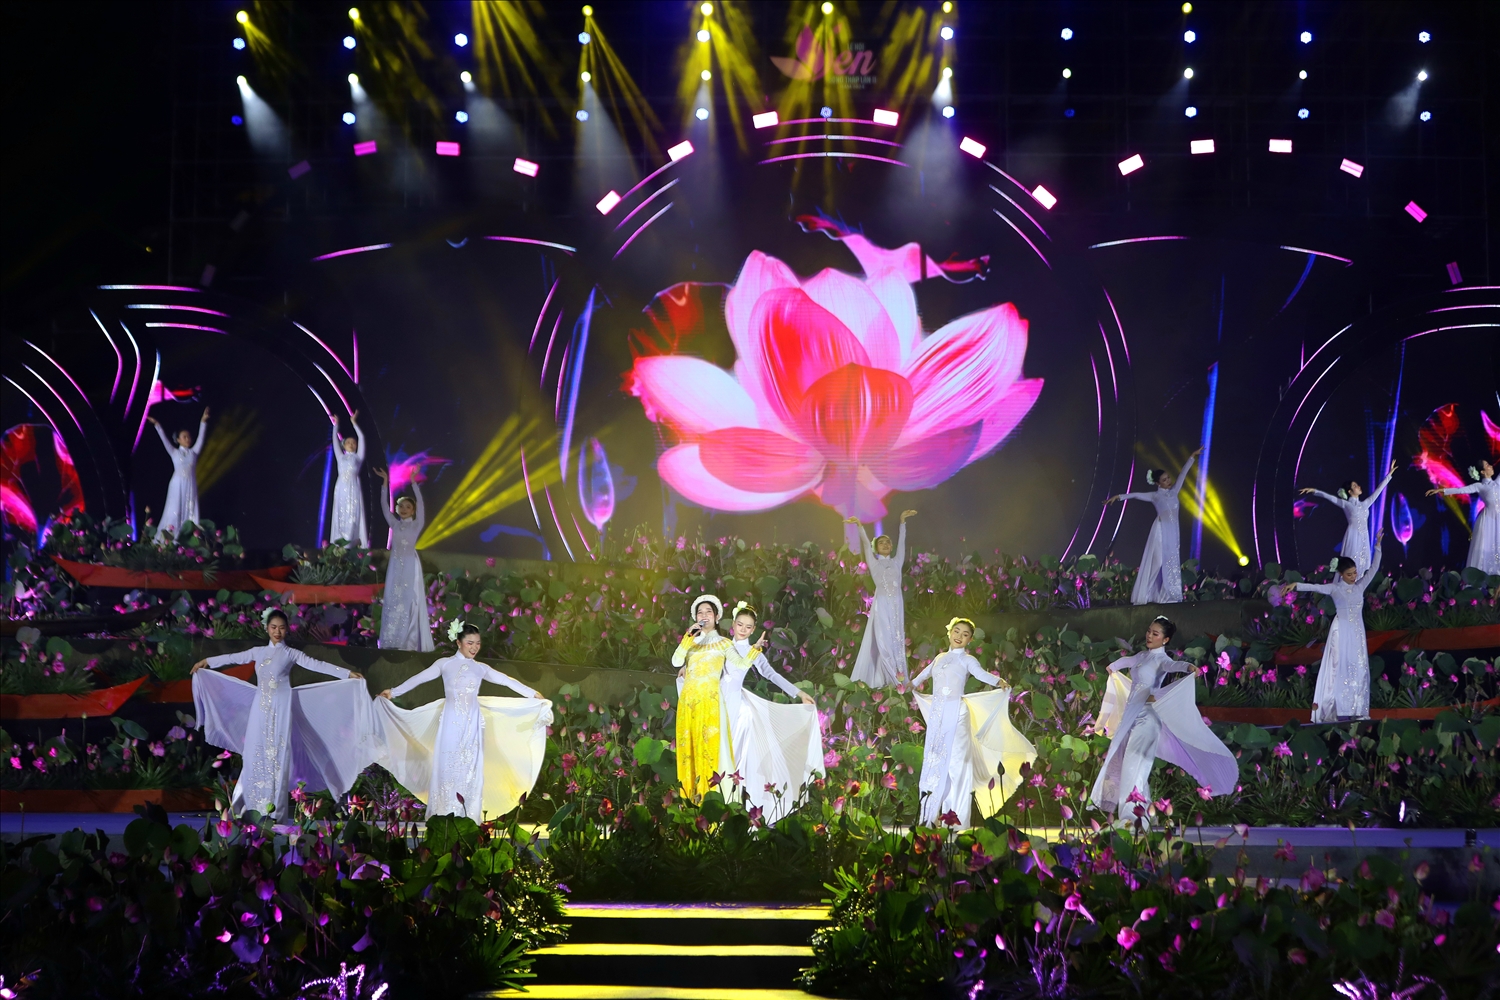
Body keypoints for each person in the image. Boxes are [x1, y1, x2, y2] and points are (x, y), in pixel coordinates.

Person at [191, 608, 371, 818]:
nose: (277, 632)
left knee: (277, 755)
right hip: (260, 708)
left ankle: (274, 812)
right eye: (274, 627)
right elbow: (234, 657)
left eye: (282, 628)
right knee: (254, 752)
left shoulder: (291, 653)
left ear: (287, 630)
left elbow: (317, 664)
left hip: (282, 708)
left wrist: (346, 674)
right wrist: (207, 662)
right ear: (267, 629)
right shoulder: (258, 652)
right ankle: (249, 807)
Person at [373, 620, 551, 820]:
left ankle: (469, 815)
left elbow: (506, 680)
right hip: (451, 722)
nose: (474, 647)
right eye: (470, 643)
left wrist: (532, 694)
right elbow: (419, 678)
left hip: (473, 722)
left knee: (471, 766)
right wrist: (393, 692)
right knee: (448, 764)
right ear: (458, 643)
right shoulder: (445, 664)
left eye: (478, 643)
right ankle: (444, 813)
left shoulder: (480, 668)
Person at [1089, 615, 1236, 824]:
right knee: (1133, 765)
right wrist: (1113, 666)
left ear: (1165, 640)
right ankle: (1142, 817)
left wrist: (1189, 668)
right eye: (1149, 631)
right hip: (1132, 715)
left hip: (1148, 718)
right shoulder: (1142, 656)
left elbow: (1174, 665)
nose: (1149, 636)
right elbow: (1128, 661)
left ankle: (1132, 817)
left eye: (1155, 633)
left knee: (1134, 765)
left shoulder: (1161, 659)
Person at [909, 617, 1035, 827]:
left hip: (957, 714)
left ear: (969, 640)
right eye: (957, 631)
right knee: (933, 762)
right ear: (950, 632)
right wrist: (908, 685)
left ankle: (954, 821)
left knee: (957, 765)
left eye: (965, 634)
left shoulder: (967, 660)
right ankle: (927, 818)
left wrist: (998, 681)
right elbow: (922, 676)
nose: (959, 636)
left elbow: (981, 674)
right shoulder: (939, 657)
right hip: (938, 716)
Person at [716, 602, 821, 824]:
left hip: (738, 709)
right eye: (740, 624)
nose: (743, 629)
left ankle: (736, 812)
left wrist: (799, 692)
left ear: (754, 630)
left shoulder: (753, 652)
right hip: (716, 704)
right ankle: (716, 809)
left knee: (735, 759)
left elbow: (771, 674)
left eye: (748, 627)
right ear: (733, 624)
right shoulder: (722, 645)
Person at [1294, 533, 1385, 722]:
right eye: (1349, 574)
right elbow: (1315, 587)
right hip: (1341, 631)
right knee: (1338, 668)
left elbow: (1374, 568)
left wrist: (1377, 546)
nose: (1353, 577)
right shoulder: (1335, 589)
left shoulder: (1359, 586)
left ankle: (1358, 709)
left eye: (1355, 573)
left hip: (1357, 632)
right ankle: (1335, 708)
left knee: (1359, 667)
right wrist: (1296, 585)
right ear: (1341, 574)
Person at [1107, 449, 1202, 605]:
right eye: (1164, 480)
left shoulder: (1174, 492)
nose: (1168, 481)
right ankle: (1144, 595)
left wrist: (1192, 457)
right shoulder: (1155, 496)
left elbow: (1182, 475)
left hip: (1173, 533)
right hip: (1160, 531)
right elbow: (1135, 494)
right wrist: (1118, 497)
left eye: (1168, 478)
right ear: (1158, 483)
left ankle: (1166, 596)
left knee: (1170, 562)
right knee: (1157, 563)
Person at [672, 594, 733, 802]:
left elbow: (737, 668)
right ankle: (689, 803)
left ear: (716, 617)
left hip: (710, 703)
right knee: (688, 750)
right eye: (700, 612)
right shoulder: (691, 643)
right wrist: (688, 637)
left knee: (708, 748)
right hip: (688, 702)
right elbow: (675, 661)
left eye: (708, 612)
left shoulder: (724, 643)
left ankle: (711, 802)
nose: (704, 615)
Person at [845, 509, 917, 687]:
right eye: (881, 543)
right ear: (876, 548)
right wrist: (860, 526)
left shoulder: (897, 561)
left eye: (887, 543)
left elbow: (902, 542)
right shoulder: (875, 563)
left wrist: (902, 522)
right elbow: (865, 543)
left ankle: (899, 678)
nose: (885, 545)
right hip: (882, 605)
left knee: (897, 640)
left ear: (891, 547)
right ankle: (887, 678)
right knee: (883, 641)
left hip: (897, 605)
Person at [1298, 459, 1396, 574]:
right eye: (1355, 486)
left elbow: (1378, 491)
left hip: (1364, 538)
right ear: (1349, 491)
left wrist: (1389, 475)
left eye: (1357, 485)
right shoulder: (1346, 504)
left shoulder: (1365, 504)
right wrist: (1314, 491)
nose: (1358, 486)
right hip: (1352, 537)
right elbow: (1329, 497)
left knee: (1363, 567)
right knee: (1351, 564)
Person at [375, 468, 432, 651]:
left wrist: (414, 482)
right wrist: (385, 482)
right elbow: (384, 507)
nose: (404, 509)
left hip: (409, 565)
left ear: (413, 510)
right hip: (395, 566)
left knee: (409, 600)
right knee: (393, 599)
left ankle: (409, 642)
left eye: (408, 507)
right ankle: (391, 640)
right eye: (401, 506)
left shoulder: (416, 525)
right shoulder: (395, 524)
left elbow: (421, 503)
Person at [147, 407, 209, 537]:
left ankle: (190, 538)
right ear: (178, 440)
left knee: (191, 511)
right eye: (184, 437)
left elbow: (201, 438)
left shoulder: (194, 452)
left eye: (189, 436)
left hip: (190, 485)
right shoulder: (174, 452)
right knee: (174, 511)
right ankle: (170, 537)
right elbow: (164, 439)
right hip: (177, 484)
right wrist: (157, 425)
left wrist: (203, 421)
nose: (188, 439)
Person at [1429, 460, 1499, 575]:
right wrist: (1442, 490)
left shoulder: (1497, 483)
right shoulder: (1480, 486)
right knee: (1487, 548)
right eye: (1487, 465)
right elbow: (1460, 490)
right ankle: (1485, 578)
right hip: (1488, 521)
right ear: (1482, 471)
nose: (1491, 466)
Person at [329, 411, 369, 548]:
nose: (351, 444)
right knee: (340, 514)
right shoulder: (340, 457)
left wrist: (354, 423)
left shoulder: (358, 457)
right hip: (341, 487)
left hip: (354, 487)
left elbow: (362, 437)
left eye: (354, 442)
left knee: (353, 514)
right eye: (348, 442)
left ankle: (351, 544)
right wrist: (336, 426)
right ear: (344, 445)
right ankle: (339, 545)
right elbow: (334, 441)